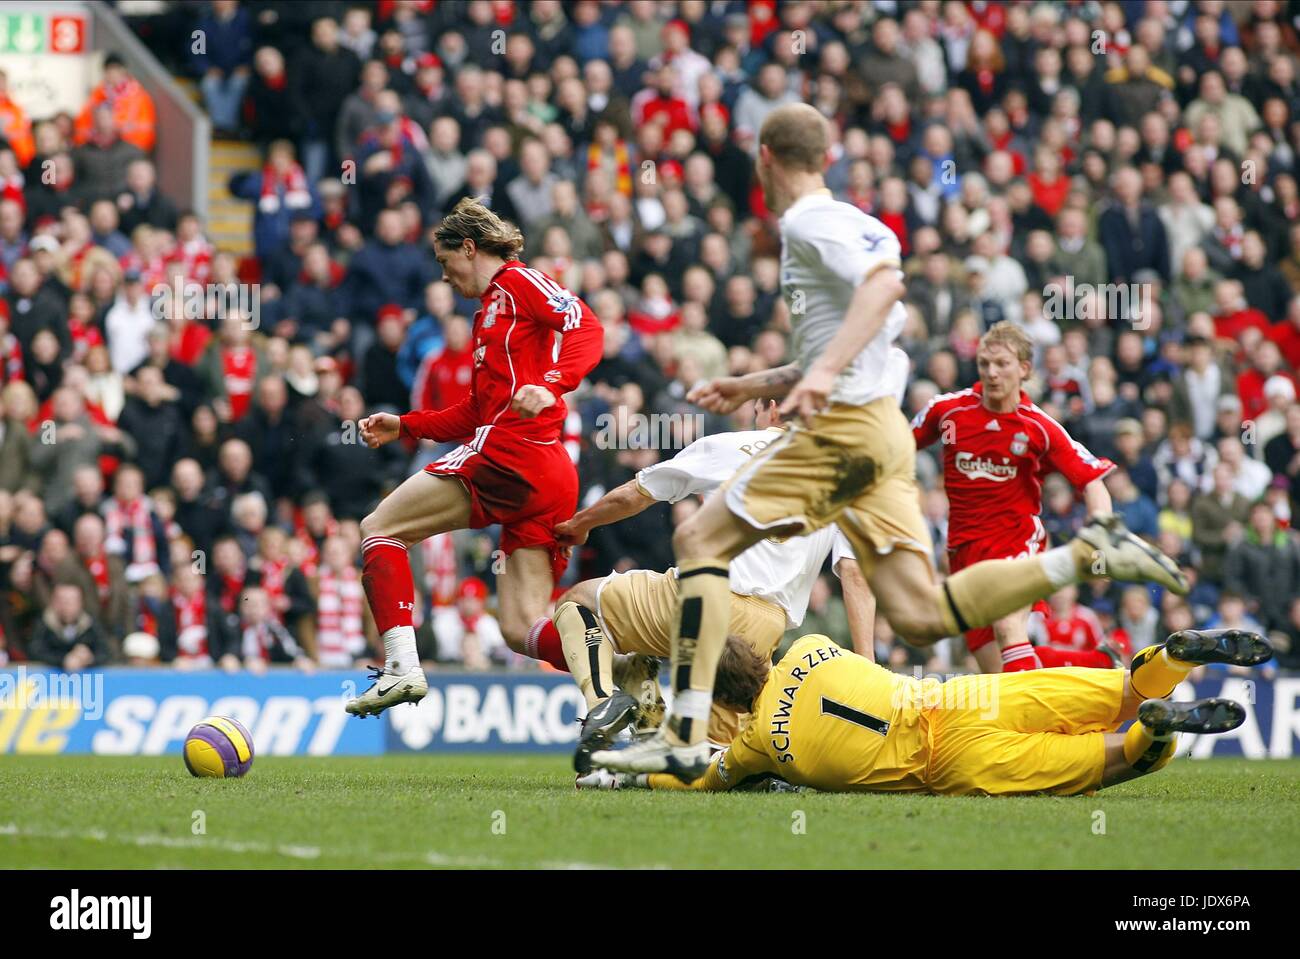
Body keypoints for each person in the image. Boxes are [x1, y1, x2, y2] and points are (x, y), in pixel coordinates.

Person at [592, 103, 1186, 780]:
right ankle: (1076, 557)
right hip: (879, 428)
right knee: (919, 611)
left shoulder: (807, 222)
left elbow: (884, 288)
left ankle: (682, 732)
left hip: (843, 429)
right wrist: (756, 381)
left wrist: (814, 375)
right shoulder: (857, 221)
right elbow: (863, 330)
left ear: (764, 159)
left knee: (698, 542)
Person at [346, 198, 602, 716]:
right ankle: (618, 675)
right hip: (542, 473)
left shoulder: (520, 282)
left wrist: (553, 383)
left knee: (381, 527)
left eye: (446, 263)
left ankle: (401, 666)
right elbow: (473, 412)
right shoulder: (489, 311)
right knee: (520, 628)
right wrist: (406, 426)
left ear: (469, 247)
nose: (444, 277)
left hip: (516, 453)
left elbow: (585, 323)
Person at [550, 400, 872, 767]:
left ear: (773, 408)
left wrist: (580, 525)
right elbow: (855, 575)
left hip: (702, 596)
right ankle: (651, 733)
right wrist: (868, 669)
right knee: (712, 757)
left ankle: (604, 702)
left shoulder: (731, 446)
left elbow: (634, 494)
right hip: (764, 629)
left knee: (580, 601)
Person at [580, 629, 1272, 795]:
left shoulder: (759, 739)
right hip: (962, 694)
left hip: (948, 760)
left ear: (727, 701)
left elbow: (703, 772)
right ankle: (1175, 660)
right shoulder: (813, 645)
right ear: (758, 654)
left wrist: (628, 776)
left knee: (1112, 762)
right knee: (1121, 689)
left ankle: (1158, 730)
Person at [912, 321, 1115, 673]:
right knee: (998, 675)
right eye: (984, 364)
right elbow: (895, 445)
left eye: (1002, 364)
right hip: (964, 553)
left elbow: (1093, 481)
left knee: (1009, 626)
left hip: (1017, 543)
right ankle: (1097, 665)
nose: (992, 373)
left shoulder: (1039, 427)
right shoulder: (947, 411)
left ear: (1024, 368)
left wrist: (1099, 537)